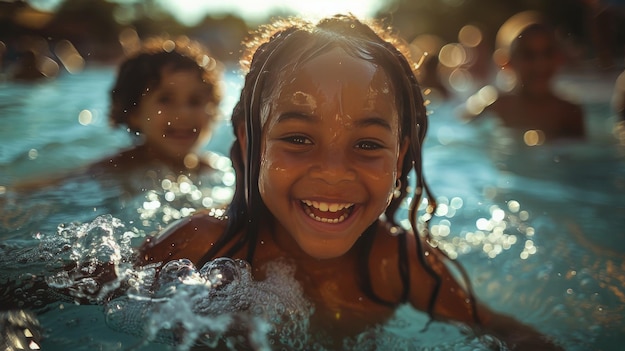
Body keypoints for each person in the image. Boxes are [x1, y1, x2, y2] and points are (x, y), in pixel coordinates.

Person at [137, 15, 564, 350]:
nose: (334, 170)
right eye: (299, 139)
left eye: (366, 144)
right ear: (250, 144)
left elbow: (502, 332)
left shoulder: (396, 264)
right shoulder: (201, 247)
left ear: (400, 158)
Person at [13, 35, 226, 196]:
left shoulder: (215, 168)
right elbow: (49, 187)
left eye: (195, 101)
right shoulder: (114, 169)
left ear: (213, 110)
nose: (184, 114)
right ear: (133, 113)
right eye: (166, 99)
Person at [464, 19, 586, 143]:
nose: (540, 64)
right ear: (506, 63)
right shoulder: (495, 105)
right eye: (528, 55)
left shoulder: (569, 113)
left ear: (559, 58)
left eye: (548, 53)